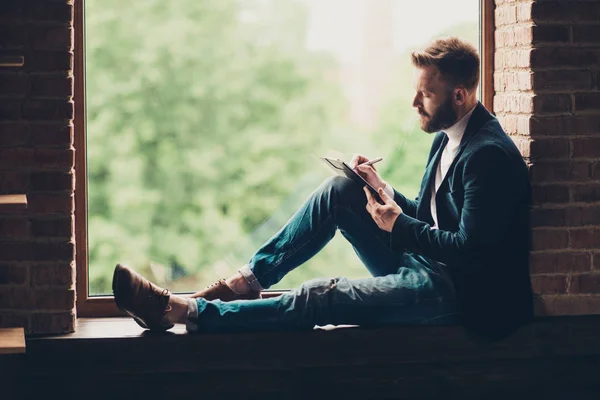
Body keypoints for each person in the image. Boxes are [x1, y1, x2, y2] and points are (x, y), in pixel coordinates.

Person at [113, 37, 533, 340]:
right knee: (340, 190)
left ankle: (181, 310)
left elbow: (471, 252)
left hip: (456, 296)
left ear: (459, 95)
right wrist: (382, 189)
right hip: (430, 264)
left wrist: (398, 225)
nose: (414, 103)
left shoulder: (487, 156)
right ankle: (247, 280)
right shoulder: (448, 134)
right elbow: (432, 219)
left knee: (320, 296)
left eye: (425, 93)